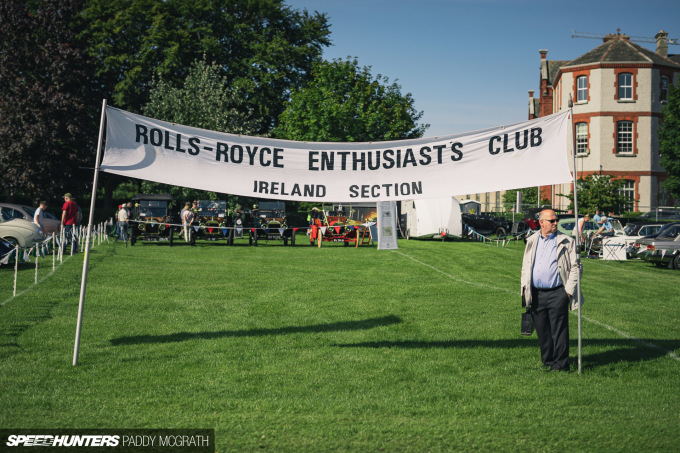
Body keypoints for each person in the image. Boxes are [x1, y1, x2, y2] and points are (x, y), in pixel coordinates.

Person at [520, 209, 582, 372]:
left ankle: (561, 365)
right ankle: (548, 361)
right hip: (536, 293)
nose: (556, 223)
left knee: (559, 331)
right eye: (552, 221)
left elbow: (576, 267)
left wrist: (567, 292)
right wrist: (525, 289)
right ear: (541, 222)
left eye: (556, 220)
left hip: (558, 293)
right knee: (542, 330)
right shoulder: (532, 240)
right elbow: (526, 266)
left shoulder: (567, 241)